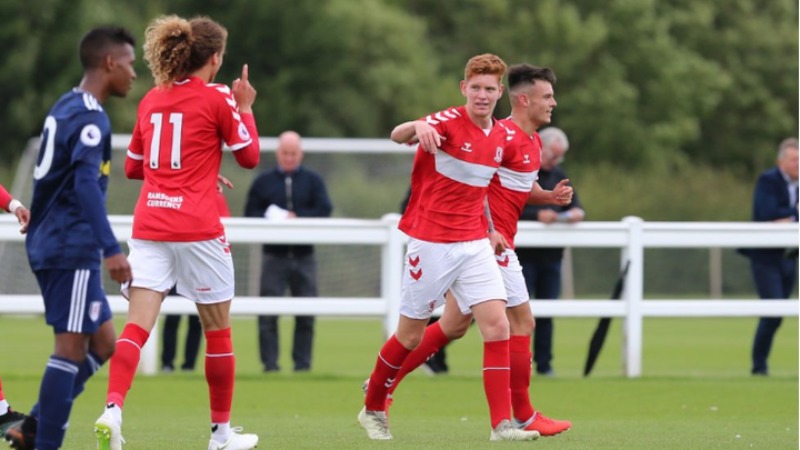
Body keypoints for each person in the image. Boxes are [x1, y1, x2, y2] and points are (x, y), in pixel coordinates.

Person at [368, 64, 573, 437]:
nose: (553, 103)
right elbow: (479, 186)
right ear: (523, 99)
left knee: (453, 326)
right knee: (519, 322)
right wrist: (491, 231)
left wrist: (548, 196)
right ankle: (523, 415)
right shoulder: (503, 135)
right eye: (547, 96)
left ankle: (384, 385)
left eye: (489, 88)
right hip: (481, 241)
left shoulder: (531, 142)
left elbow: (514, 188)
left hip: (481, 241)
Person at [93, 15, 260, 450]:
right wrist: (245, 107)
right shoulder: (220, 97)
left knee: (136, 327)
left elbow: (133, 167)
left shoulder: (151, 99)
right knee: (218, 331)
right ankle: (221, 435)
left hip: (150, 225)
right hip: (197, 229)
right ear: (216, 57)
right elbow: (249, 158)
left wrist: (192, 169)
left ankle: (112, 409)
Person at [3, 27, 136, 450]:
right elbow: (82, 185)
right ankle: (43, 443)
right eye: (131, 64)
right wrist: (111, 249)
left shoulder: (65, 104)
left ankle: (33, 427)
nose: (134, 74)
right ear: (109, 63)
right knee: (70, 347)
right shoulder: (91, 117)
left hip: (53, 240)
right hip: (69, 245)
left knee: (103, 341)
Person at [244, 131, 332, 372]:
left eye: (293, 153)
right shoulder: (263, 182)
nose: (289, 158)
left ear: (300, 153)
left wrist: (299, 218)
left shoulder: (313, 181)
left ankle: (302, 366)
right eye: (285, 153)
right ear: (278, 153)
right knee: (267, 313)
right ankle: (270, 365)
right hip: (274, 257)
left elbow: (325, 209)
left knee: (306, 312)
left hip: (304, 256)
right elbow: (250, 212)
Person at [516, 126, 584, 376]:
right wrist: (537, 216)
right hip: (523, 256)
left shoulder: (559, 174)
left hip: (551, 257)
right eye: (552, 155)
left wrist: (575, 214)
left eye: (559, 156)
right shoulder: (524, 172)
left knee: (547, 313)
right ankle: (518, 366)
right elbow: (512, 206)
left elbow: (576, 206)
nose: (555, 161)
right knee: (518, 315)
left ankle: (544, 366)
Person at [743, 137, 798, 376]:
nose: (798, 164)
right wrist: (795, 212)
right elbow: (766, 214)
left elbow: (782, 218)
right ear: (781, 161)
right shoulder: (768, 181)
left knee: (779, 314)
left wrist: (787, 218)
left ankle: (760, 365)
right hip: (766, 257)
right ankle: (759, 366)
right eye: (794, 160)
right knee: (772, 311)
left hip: (790, 256)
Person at [160, 187, 229, 373]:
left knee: (200, 317)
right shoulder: (176, 188)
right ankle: (167, 363)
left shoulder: (215, 194)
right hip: (176, 260)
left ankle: (189, 365)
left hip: (202, 262)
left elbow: (225, 225)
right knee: (172, 315)